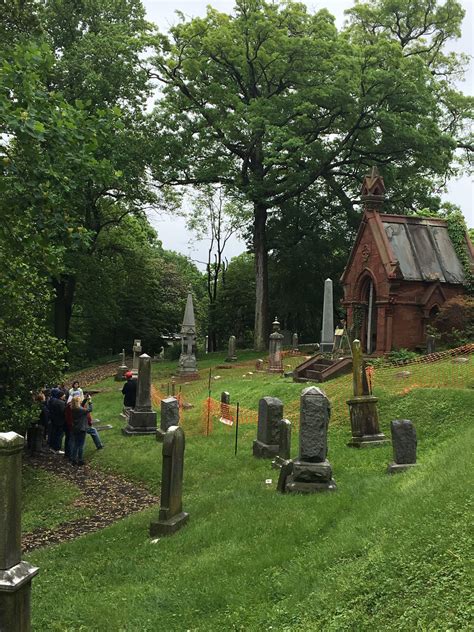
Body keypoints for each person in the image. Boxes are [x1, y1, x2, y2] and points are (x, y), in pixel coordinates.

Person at [70, 395, 90, 466]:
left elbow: (81, 406)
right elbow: (90, 409)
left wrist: (85, 399)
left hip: (75, 428)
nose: (81, 401)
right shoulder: (81, 410)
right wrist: (90, 401)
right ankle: (80, 460)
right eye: (79, 400)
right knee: (81, 445)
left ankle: (74, 459)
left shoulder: (73, 408)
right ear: (77, 402)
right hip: (82, 428)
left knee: (76, 444)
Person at [48, 389, 66, 453]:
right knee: (59, 435)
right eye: (64, 395)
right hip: (60, 421)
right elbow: (63, 412)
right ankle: (57, 449)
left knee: (54, 434)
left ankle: (52, 447)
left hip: (54, 420)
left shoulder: (52, 401)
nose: (65, 396)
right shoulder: (61, 403)